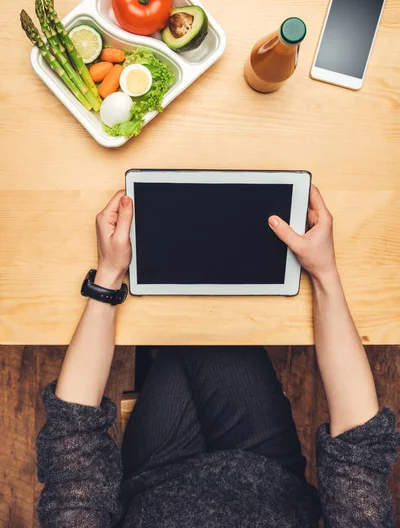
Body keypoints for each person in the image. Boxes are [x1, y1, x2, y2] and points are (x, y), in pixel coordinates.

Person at [36, 186, 399, 528]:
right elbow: (358, 452)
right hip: (265, 472)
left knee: (186, 324)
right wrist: (324, 274)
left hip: (154, 480)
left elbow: (73, 449)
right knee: (202, 329)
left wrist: (110, 275)